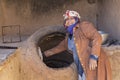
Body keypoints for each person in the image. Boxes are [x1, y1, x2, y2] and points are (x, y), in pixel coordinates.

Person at [44, 10, 112, 80]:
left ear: (77, 19)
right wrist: (44, 54)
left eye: (71, 18)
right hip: (81, 66)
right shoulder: (69, 37)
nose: (69, 21)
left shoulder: (83, 26)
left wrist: (94, 57)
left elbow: (97, 37)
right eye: (67, 19)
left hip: (93, 64)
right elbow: (58, 48)